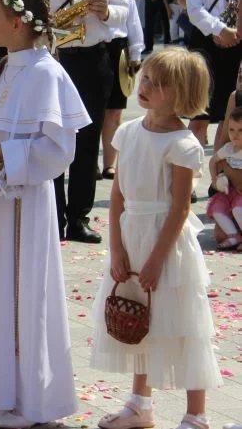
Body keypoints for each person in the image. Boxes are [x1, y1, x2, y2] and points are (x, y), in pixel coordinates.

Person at [0, 0, 89, 429]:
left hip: (26, 202)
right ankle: (5, 393)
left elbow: (59, 149)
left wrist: (3, 159)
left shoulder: (47, 73)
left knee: (26, 292)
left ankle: (35, 401)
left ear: (17, 22)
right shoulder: (1, 70)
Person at [90, 48, 222, 429]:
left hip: (167, 246)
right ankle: (139, 405)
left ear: (181, 95)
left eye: (158, 84)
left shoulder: (183, 144)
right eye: (145, 77)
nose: (145, 86)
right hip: (132, 237)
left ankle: (196, 414)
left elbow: (181, 208)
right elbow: (117, 197)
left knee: (182, 323)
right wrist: (116, 248)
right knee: (140, 320)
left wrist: (155, 261)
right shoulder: (129, 132)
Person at [18, 0, 126, 244]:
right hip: (50, 57)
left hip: (92, 57)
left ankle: (78, 218)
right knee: (48, 134)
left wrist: (107, 10)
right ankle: (52, 213)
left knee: (87, 137)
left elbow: (127, 12)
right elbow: (18, 1)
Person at [184, 0, 242, 148]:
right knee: (200, 114)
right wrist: (219, 30)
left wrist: (233, 33)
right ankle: (190, 172)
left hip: (235, 43)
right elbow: (194, 10)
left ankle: (221, 171)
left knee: (230, 114)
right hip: (204, 42)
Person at [97, 0, 145, 182]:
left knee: (114, 111)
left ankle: (109, 164)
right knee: (89, 110)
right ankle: (88, 162)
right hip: (91, 50)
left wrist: (136, 53)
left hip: (117, 49)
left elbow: (132, 22)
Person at [207, 106, 242, 250]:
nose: (235, 135)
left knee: (238, 210)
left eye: (241, 131)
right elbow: (212, 161)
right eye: (231, 130)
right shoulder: (228, 148)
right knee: (217, 210)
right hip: (230, 192)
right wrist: (215, 179)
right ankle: (234, 235)